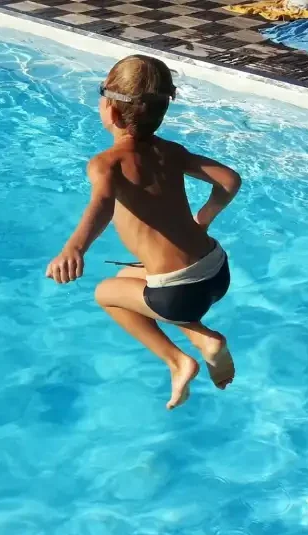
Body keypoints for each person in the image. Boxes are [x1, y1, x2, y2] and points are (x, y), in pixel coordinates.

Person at [45, 55, 242, 410]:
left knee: (106, 293)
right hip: (217, 269)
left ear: (113, 111)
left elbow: (102, 204)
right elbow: (229, 180)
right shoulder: (170, 151)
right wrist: (203, 218)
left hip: (181, 294)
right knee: (127, 276)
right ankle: (201, 339)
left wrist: (74, 248)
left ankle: (179, 359)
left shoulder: (107, 163)